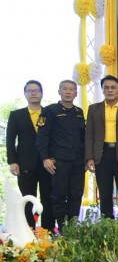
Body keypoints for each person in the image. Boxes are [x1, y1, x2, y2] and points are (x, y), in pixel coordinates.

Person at [36, 80, 86, 229]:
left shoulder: (79, 112)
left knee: (76, 195)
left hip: (77, 162)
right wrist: (45, 158)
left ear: (76, 93)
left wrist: (86, 158)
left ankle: (73, 228)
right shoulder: (49, 111)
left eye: (71, 89)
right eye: (65, 89)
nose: (68, 92)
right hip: (58, 161)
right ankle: (62, 228)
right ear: (59, 91)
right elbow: (42, 137)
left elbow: (83, 138)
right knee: (59, 195)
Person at [6, 80, 53, 231]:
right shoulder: (16, 115)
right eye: (30, 91)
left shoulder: (49, 113)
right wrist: (12, 161)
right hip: (25, 163)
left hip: (47, 164)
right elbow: (10, 140)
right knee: (27, 199)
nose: (33, 93)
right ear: (25, 94)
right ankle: (29, 232)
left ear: (42, 94)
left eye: (36, 90)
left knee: (48, 199)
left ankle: (48, 232)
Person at [84, 75, 118, 218]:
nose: (110, 90)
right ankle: (107, 224)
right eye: (106, 87)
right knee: (104, 192)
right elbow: (89, 134)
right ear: (102, 90)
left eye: (113, 87)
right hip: (102, 154)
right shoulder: (94, 109)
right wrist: (89, 157)